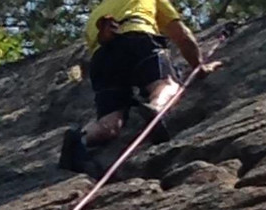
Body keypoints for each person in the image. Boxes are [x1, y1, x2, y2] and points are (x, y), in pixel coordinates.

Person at [59, 0, 222, 175]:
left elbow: (100, 45)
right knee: (167, 83)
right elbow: (181, 35)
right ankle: (156, 108)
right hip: (137, 39)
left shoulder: (95, 14)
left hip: (102, 56)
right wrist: (200, 67)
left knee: (111, 121)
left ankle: (81, 139)